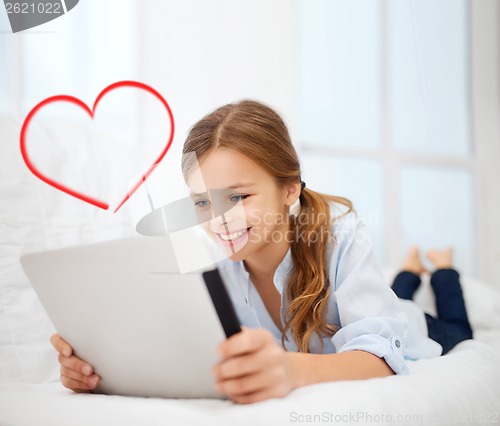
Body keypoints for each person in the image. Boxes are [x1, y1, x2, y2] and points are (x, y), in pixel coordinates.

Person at [50, 100, 440, 404]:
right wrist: (97, 371)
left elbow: (382, 359)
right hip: (378, 306)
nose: (219, 220)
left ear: (290, 189)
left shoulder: (343, 240)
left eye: (237, 196)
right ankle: (407, 273)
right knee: (400, 286)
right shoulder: (212, 273)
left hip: (417, 330)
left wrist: (290, 369)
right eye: (203, 203)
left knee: (440, 313)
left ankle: (438, 272)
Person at [391, 246, 473, 355]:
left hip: (408, 328)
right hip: (398, 317)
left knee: (459, 330)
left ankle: (441, 266)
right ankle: (410, 269)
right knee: (395, 305)